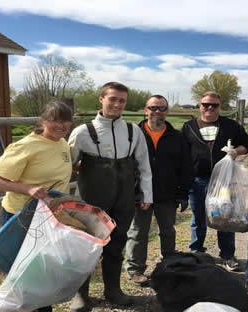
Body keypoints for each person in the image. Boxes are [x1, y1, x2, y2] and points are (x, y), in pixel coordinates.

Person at [68, 82, 152, 310]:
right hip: (91, 200)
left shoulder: (134, 131)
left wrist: (147, 194)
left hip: (123, 199)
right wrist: (60, 199)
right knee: (86, 246)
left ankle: (113, 290)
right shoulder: (82, 132)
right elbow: (66, 166)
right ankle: (81, 295)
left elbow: (144, 165)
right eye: (112, 99)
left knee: (117, 243)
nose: (117, 104)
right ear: (101, 99)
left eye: (121, 100)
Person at [0, 100, 74, 312]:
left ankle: (42, 308)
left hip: (49, 217)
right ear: (42, 121)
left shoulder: (61, 143)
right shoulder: (25, 146)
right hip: (22, 218)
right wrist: (27, 188)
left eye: (65, 121)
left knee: (44, 270)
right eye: (54, 120)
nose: (60, 126)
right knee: (28, 273)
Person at [124, 95, 194, 284]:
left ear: (167, 111)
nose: (157, 112)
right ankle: (135, 269)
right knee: (138, 231)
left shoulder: (177, 137)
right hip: (139, 193)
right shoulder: (133, 134)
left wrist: (183, 193)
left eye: (162, 108)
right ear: (145, 110)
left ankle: (169, 262)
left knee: (168, 230)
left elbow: (186, 166)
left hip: (167, 193)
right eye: (153, 108)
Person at [181, 91, 248, 271]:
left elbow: (246, 145)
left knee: (225, 217)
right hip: (197, 181)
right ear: (199, 106)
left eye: (214, 105)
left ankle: (227, 255)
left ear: (220, 106)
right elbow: (182, 153)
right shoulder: (188, 127)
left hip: (225, 181)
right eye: (206, 104)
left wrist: (236, 152)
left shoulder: (231, 126)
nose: (210, 108)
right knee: (198, 218)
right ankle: (197, 251)